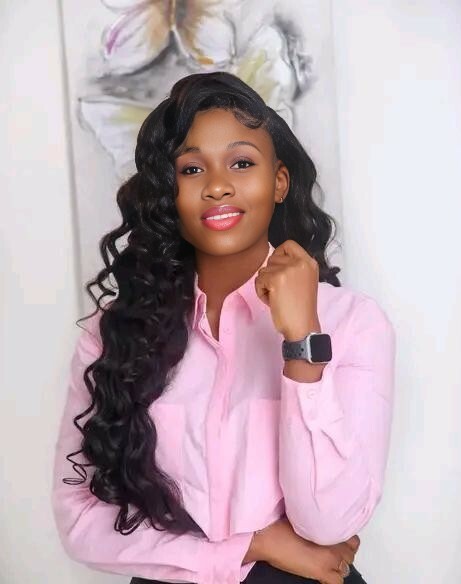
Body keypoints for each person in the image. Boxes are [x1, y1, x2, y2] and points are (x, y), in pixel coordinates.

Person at [51, 71, 396, 584]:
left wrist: (302, 342)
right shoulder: (115, 333)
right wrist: (251, 546)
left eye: (241, 163)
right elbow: (79, 519)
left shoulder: (353, 323)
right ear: (170, 191)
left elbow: (328, 522)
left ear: (279, 181)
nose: (217, 186)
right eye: (192, 169)